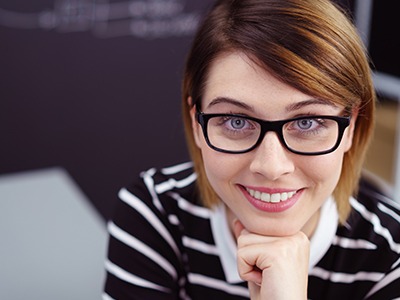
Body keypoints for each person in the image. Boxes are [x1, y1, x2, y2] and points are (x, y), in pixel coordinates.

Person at [103, 0, 400, 299]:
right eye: (236, 121)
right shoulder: (156, 213)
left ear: (350, 127)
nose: (271, 167)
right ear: (196, 124)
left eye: (308, 122)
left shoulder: (392, 254)